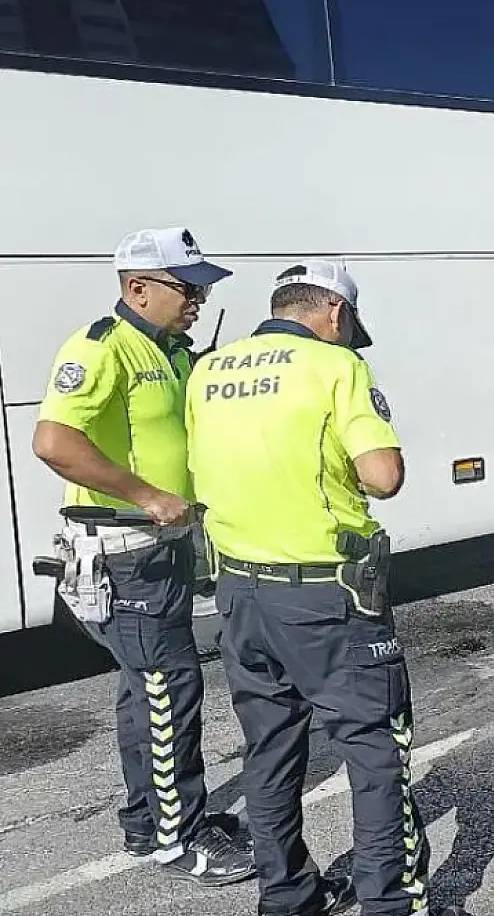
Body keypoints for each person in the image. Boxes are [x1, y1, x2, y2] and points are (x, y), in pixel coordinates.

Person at [185, 260, 460, 916]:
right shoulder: (337, 369)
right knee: (375, 753)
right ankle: (393, 905)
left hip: (240, 595)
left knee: (272, 750)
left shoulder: (211, 370)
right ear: (334, 313)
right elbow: (383, 476)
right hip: (325, 598)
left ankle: (287, 898)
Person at [31, 227, 257, 886]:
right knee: (169, 692)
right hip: (126, 553)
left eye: (203, 288)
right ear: (138, 287)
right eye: (189, 287)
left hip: (162, 554)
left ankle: (148, 820)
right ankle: (181, 840)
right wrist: (147, 495)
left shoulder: (170, 351)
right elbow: (52, 441)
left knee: (145, 693)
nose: (199, 299)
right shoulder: (103, 348)